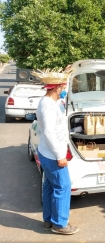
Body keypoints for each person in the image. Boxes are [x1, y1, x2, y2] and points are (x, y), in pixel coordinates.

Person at [33, 69, 79, 235]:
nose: (64, 91)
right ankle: (59, 224)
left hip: (47, 152)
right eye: (62, 88)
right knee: (63, 186)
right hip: (52, 154)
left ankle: (49, 220)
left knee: (50, 187)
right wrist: (60, 155)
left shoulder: (50, 103)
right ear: (56, 88)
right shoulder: (47, 105)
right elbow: (49, 132)